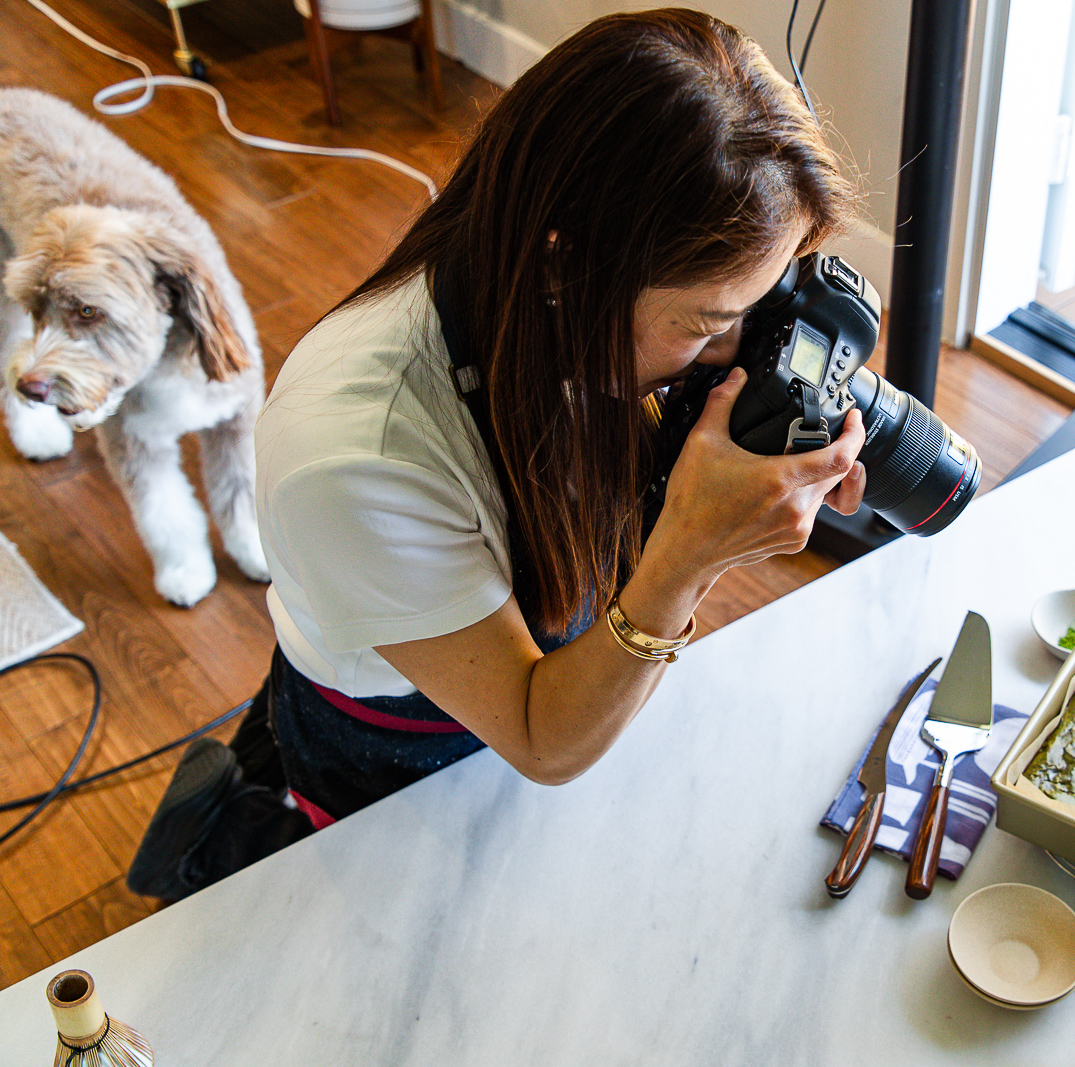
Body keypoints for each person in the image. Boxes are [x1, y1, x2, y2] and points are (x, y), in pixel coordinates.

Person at [126, 7, 866, 900]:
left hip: (546, 663)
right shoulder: (357, 456)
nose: (737, 347)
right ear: (564, 267)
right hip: (401, 740)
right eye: (712, 322)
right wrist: (694, 552)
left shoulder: (539, 299)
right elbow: (540, 737)